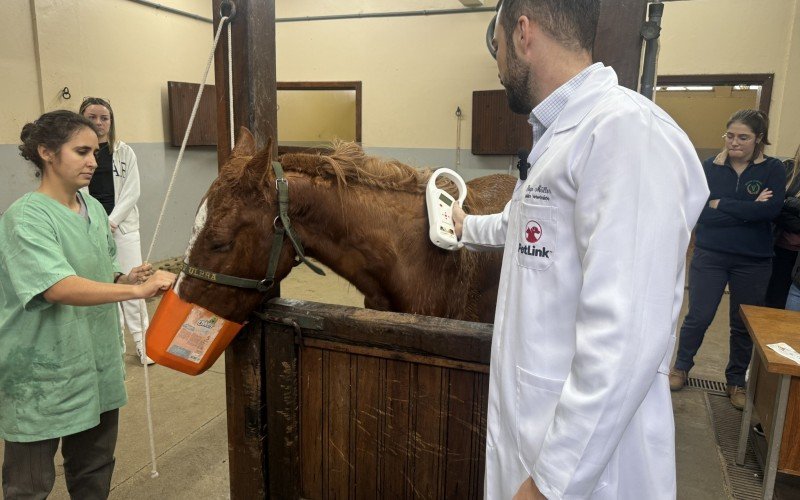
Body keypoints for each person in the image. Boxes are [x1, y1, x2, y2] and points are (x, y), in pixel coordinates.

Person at [450, 1, 708, 498]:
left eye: (498, 49)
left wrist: (550, 484)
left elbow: (626, 335)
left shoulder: (626, 133)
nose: (499, 67)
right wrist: (464, 226)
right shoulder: (557, 139)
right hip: (533, 440)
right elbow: (523, 224)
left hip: (587, 476)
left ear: (522, 33)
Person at [0, 110, 176, 499]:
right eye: (81, 151)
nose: (93, 162)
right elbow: (58, 286)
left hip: (94, 361)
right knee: (28, 484)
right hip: (42, 370)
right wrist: (135, 294)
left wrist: (125, 279)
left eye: (96, 152)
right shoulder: (25, 218)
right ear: (46, 152)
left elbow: (101, 268)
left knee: (93, 471)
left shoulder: (93, 209)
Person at [668, 110, 785, 410]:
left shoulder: (773, 169)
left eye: (743, 137)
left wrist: (723, 205)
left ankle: (736, 382)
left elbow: (770, 212)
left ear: (759, 139)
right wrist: (746, 209)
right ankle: (681, 367)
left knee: (742, 323)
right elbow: (700, 212)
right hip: (711, 255)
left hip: (754, 260)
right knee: (699, 316)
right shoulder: (710, 167)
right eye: (730, 136)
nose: (735, 142)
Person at [79, 97, 153, 365]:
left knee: (133, 283)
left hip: (122, 227)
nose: (98, 123)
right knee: (105, 285)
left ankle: (144, 343)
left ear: (111, 122)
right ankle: (117, 345)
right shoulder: (77, 152)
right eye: (92, 117)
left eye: (104, 117)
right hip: (87, 226)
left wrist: (110, 221)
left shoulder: (124, 152)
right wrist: (95, 223)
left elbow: (132, 190)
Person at [765, 145, 800, 308]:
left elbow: (782, 203)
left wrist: (788, 202)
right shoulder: (787, 168)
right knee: (773, 302)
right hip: (779, 249)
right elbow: (774, 206)